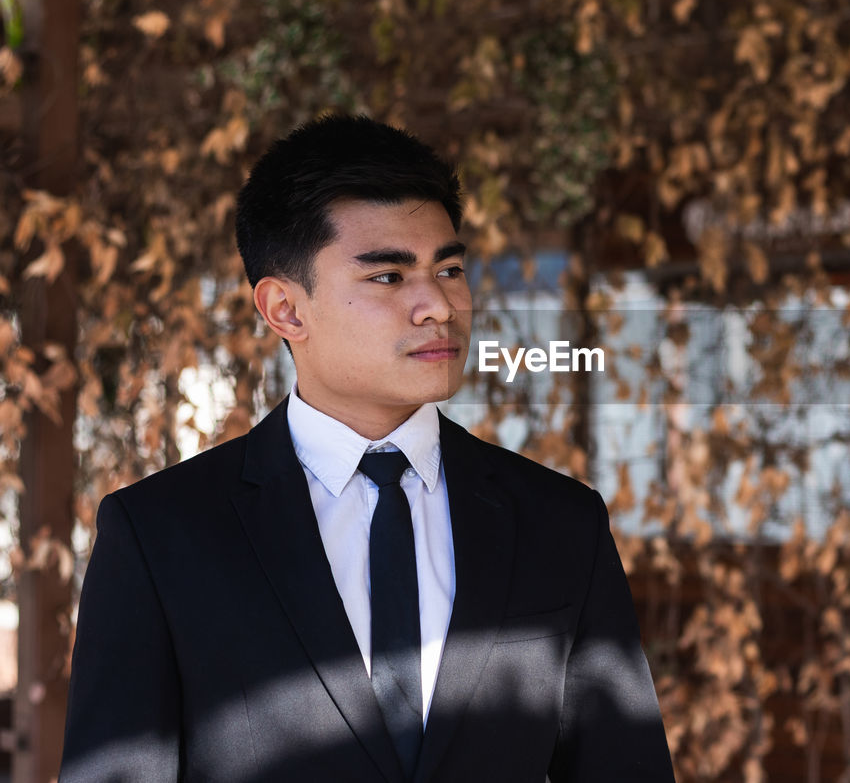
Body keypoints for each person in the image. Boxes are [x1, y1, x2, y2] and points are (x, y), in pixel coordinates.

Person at [60, 114, 676, 782]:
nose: (436, 305)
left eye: (449, 269)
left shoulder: (560, 522)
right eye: (388, 277)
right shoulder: (160, 537)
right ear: (285, 309)